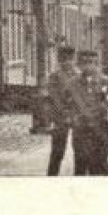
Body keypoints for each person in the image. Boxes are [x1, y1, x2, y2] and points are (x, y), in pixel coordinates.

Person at [66, 50, 108, 175]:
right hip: (81, 130)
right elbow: (65, 105)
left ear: (97, 64)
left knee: (98, 168)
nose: (89, 66)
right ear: (79, 65)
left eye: (92, 62)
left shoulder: (105, 81)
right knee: (80, 166)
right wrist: (72, 117)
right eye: (85, 63)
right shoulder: (72, 84)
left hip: (99, 129)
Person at [40, 44, 81, 177]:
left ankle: (79, 178)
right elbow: (52, 95)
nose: (67, 62)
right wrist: (62, 110)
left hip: (76, 116)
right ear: (59, 60)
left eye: (69, 58)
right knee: (58, 151)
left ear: (73, 59)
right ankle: (52, 178)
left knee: (80, 150)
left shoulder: (79, 75)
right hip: (60, 116)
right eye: (64, 59)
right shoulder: (54, 76)